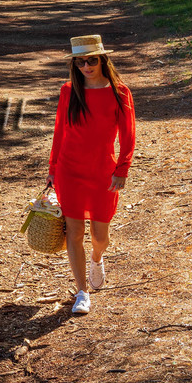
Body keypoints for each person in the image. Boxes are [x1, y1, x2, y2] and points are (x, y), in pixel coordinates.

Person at [46, 34, 137, 317]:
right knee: (74, 233)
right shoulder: (68, 91)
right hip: (69, 170)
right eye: (80, 62)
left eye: (92, 60)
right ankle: (82, 292)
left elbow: (128, 135)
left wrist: (122, 169)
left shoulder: (120, 92)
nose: (86, 66)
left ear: (103, 60)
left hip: (102, 172)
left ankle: (97, 258)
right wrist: (52, 169)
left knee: (100, 236)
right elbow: (60, 131)